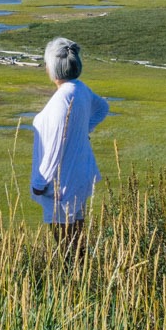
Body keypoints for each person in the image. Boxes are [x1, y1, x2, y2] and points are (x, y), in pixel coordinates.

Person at [30, 36, 109, 244]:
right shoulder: (80, 88)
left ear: (53, 67)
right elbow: (103, 108)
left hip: (61, 184)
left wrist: (39, 182)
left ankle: (70, 276)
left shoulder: (61, 99)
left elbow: (55, 145)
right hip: (79, 175)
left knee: (65, 245)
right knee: (77, 240)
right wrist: (83, 130)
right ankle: (81, 274)